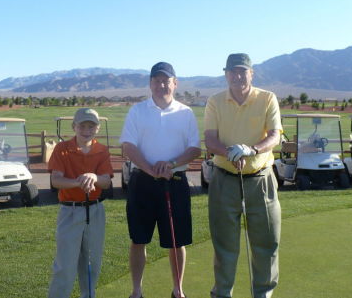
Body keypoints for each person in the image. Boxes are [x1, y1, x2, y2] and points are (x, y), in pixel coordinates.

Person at [120, 61, 201, 298]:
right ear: (150, 84)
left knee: (177, 242)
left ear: (175, 84)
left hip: (175, 182)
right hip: (142, 183)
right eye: (156, 80)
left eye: (166, 80)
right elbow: (128, 146)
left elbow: (195, 149)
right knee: (138, 239)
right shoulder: (138, 111)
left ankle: (178, 289)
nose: (161, 85)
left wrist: (172, 164)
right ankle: (137, 291)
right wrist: (150, 168)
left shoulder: (185, 113)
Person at [204, 53, 282, 298]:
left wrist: (251, 149)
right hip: (224, 179)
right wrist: (231, 154)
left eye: (243, 71)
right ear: (226, 74)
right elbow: (210, 140)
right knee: (225, 245)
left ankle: (263, 294)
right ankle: (222, 293)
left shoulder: (267, 98)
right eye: (233, 72)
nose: (238, 76)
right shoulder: (215, 101)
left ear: (252, 73)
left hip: (261, 179)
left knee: (266, 243)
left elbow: (274, 136)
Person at [48, 107, 114, 298]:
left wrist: (93, 176)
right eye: (82, 125)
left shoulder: (102, 150)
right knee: (65, 265)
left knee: (92, 264)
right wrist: (79, 181)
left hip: (95, 210)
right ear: (74, 126)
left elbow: (107, 180)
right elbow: (56, 180)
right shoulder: (62, 149)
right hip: (70, 211)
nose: (86, 130)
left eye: (91, 126)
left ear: (98, 128)